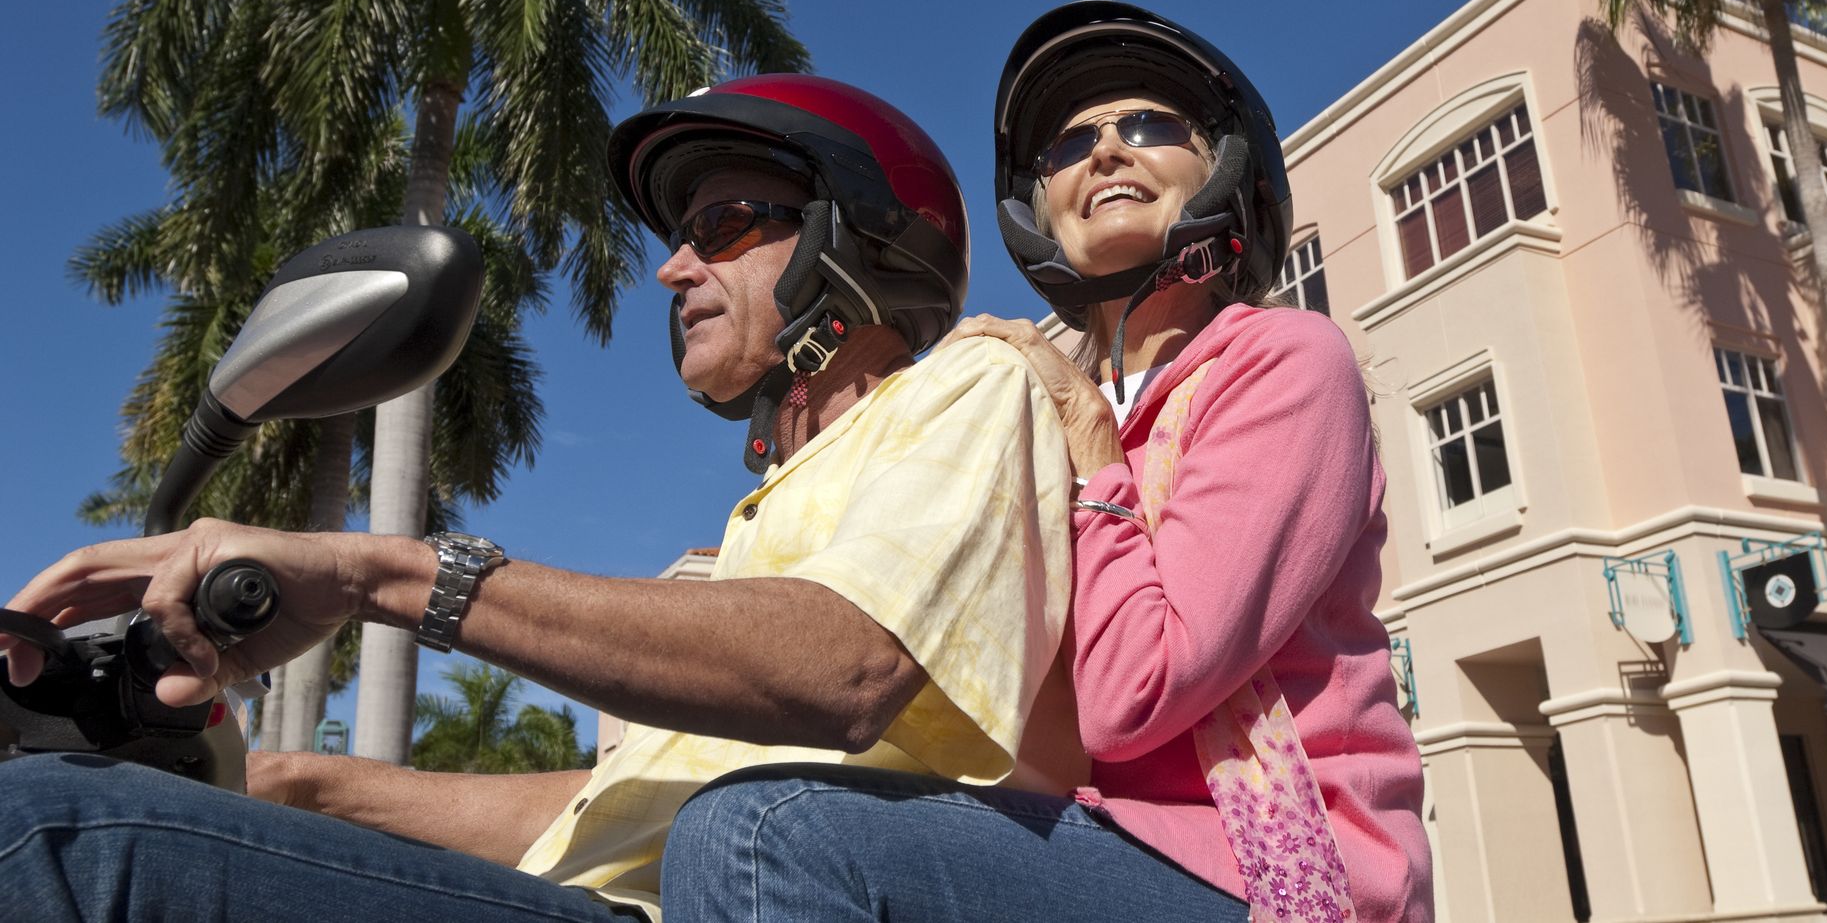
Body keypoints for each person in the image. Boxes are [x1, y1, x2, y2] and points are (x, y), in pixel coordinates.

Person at [0, 74, 1083, 922]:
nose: (671, 270)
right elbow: (604, 816)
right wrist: (291, 786)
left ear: (852, 235)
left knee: (55, 838)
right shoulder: (744, 540)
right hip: (582, 893)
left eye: (723, 227)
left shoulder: (965, 387)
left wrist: (374, 570)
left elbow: (849, 665)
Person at [664, 5, 1431, 922]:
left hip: (1270, 870)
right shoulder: (1024, 391)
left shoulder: (1284, 359)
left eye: (1148, 126)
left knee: (763, 833)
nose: (1104, 152)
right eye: (1068, 146)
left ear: (1223, 168)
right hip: (1074, 837)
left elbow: (1133, 694)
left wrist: (1095, 455)